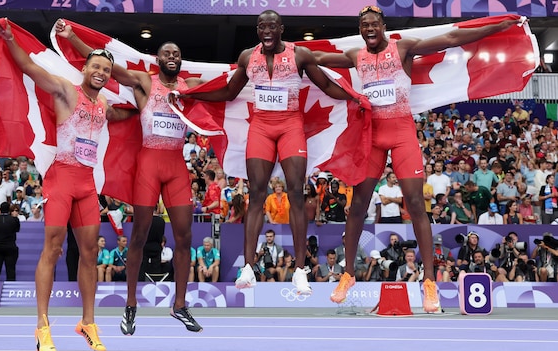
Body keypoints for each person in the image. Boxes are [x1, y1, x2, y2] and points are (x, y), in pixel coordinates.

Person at [315, 5, 522, 312]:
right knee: (357, 205)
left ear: (383, 26)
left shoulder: (404, 47)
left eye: (374, 24)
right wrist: (280, 51)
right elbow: (314, 59)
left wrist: (498, 26)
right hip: (372, 136)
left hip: (401, 133)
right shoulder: (354, 56)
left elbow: (452, 37)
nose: (369, 29)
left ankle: (429, 283)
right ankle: (347, 275)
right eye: (364, 25)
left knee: (415, 204)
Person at [177, 10, 359, 295]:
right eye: (262, 26)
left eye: (272, 26)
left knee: (296, 193)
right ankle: (248, 267)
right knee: (257, 193)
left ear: (281, 29)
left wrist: (356, 96)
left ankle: (300, 271)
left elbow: (325, 85)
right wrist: (192, 94)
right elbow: (228, 92)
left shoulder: (300, 55)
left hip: (290, 126)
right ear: (258, 30)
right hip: (261, 127)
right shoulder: (248, 57)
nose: (267, 31)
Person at [55, 20, 203, 336]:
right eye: (167, 53)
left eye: (177, 53)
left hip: (177, 166)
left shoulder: (190, 87)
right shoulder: (145, 82)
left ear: (181, 59)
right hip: (149, 164)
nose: (172, 56)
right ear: (158, 59)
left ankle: (179, 305)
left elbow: (226, 90)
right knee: (139, 235)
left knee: (185, 237)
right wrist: (73, 38)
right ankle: (131, 304)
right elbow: (107, 68)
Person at [0, 20, 131, 351]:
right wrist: (12, 39)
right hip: (60, 179)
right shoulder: (65, 90)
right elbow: (28, 66)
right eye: (95, 66)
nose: (100, 72)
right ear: (84, 68)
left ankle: (88, 322)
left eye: (105, 69)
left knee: (89, 253)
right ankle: (42, 325)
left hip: (86, 184)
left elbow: (122, 115)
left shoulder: (102, 106)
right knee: (53, 249)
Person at [0, 202, 21, 281]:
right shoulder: (14, 220)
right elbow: (17, 229)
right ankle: (11, 289)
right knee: (10, 270)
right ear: (9, 210)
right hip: (10, 247)